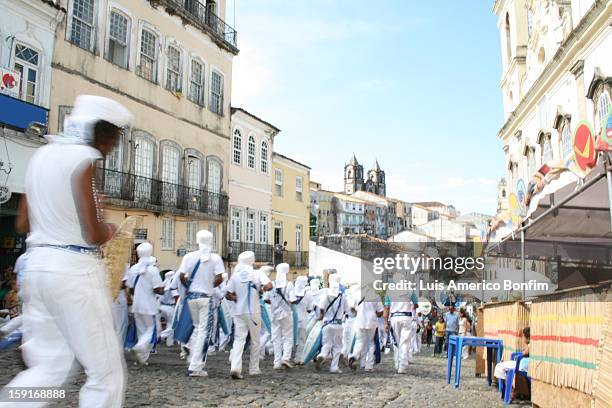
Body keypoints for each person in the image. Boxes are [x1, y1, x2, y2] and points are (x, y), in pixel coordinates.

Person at [1, 95, 132, 407]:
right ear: (100, 133)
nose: (112, 147)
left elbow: (21, 223)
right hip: (73, 271)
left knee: (47, 367)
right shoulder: (83, 159)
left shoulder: (42, 155)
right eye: (113, 139)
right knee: (105, 374)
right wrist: (111, 229)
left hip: (37, 266)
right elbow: (94, 233)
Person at [177, 230, 225, 377]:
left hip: (192, 296)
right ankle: (196, 366)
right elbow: (220, 277)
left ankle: (191, 355)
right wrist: (209, 285)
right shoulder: (215, 258)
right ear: (211, 241)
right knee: (205, 331)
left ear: (197, 240)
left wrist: (190, 285)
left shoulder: (188, 256)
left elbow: (181, 276)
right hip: (206, 297)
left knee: (197, 329)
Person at [225, 251, 273, 379]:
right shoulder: (257, 273)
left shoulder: (235, 276)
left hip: (238, 312)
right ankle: (254, 368)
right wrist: (261, 290)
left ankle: (235, 368)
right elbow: (269, 285)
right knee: (255, 340)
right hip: (253, 311)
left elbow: (228, 294)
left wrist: (236, 298)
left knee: (239, 340)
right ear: (252, 261)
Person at [315, 274, 349, 373]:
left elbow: (321, 308)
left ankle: (322, 355)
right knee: (338, 346)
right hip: (338, 324)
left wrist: (321, 317)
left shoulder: (325, 295)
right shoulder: (343, 296)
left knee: (326, 344)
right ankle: (334, 367)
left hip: (327, 324)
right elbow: (348, 310)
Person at [266, 263, 296, 369]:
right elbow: (292, 300)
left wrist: (275, 302)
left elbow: (266, 299)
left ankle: (276, 362)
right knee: (288, 336)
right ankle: (286, 358)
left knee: (276, 338)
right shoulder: (289, 284)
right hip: (286, 313)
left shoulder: (271, 284)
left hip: (274, 314)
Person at [348, 287, 384, 372]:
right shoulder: (376, 296)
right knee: (371, 343)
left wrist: (358, 312)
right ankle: (369, 366)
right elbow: (380, 311)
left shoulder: (357, 294)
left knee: (360, 341)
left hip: (360, 321)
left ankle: (355, 356)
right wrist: (376, 314)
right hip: (372, 322)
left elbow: (352, 308)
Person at [494, 327, 530, 400]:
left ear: (528, 337)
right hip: (521, 364)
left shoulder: (530, 346)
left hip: (521, 365)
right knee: (501, 366)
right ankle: (512, 390)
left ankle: (510, 389)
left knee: (500, 366)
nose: (522, 339)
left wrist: (521, 354)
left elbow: (524, 353)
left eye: (523, 337)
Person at [388, 292, 417, 374]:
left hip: (394, 317)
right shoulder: (411, 290)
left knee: (396, 342)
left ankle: (397, 363)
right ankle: (402, 366)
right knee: (404, 342)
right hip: (406, 317)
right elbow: (415, 304)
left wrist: (386, 323)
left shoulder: (390, 290)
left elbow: (387, 307)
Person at [293, 275, 313, 363]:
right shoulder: (308, 294)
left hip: (292, 319)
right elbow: (309, 309)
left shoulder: (292, 291)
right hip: (303, 319)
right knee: (302, 339)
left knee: (289, 339)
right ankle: (298, 358)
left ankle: (286, 357)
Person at [159, 271, 177, 347]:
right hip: (170, 307)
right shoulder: (172, 287)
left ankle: (169, 342)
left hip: (161, 306)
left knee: (159, 324)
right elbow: (176, 297)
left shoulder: (163, 286)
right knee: (171, 325)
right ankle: (163, 337)